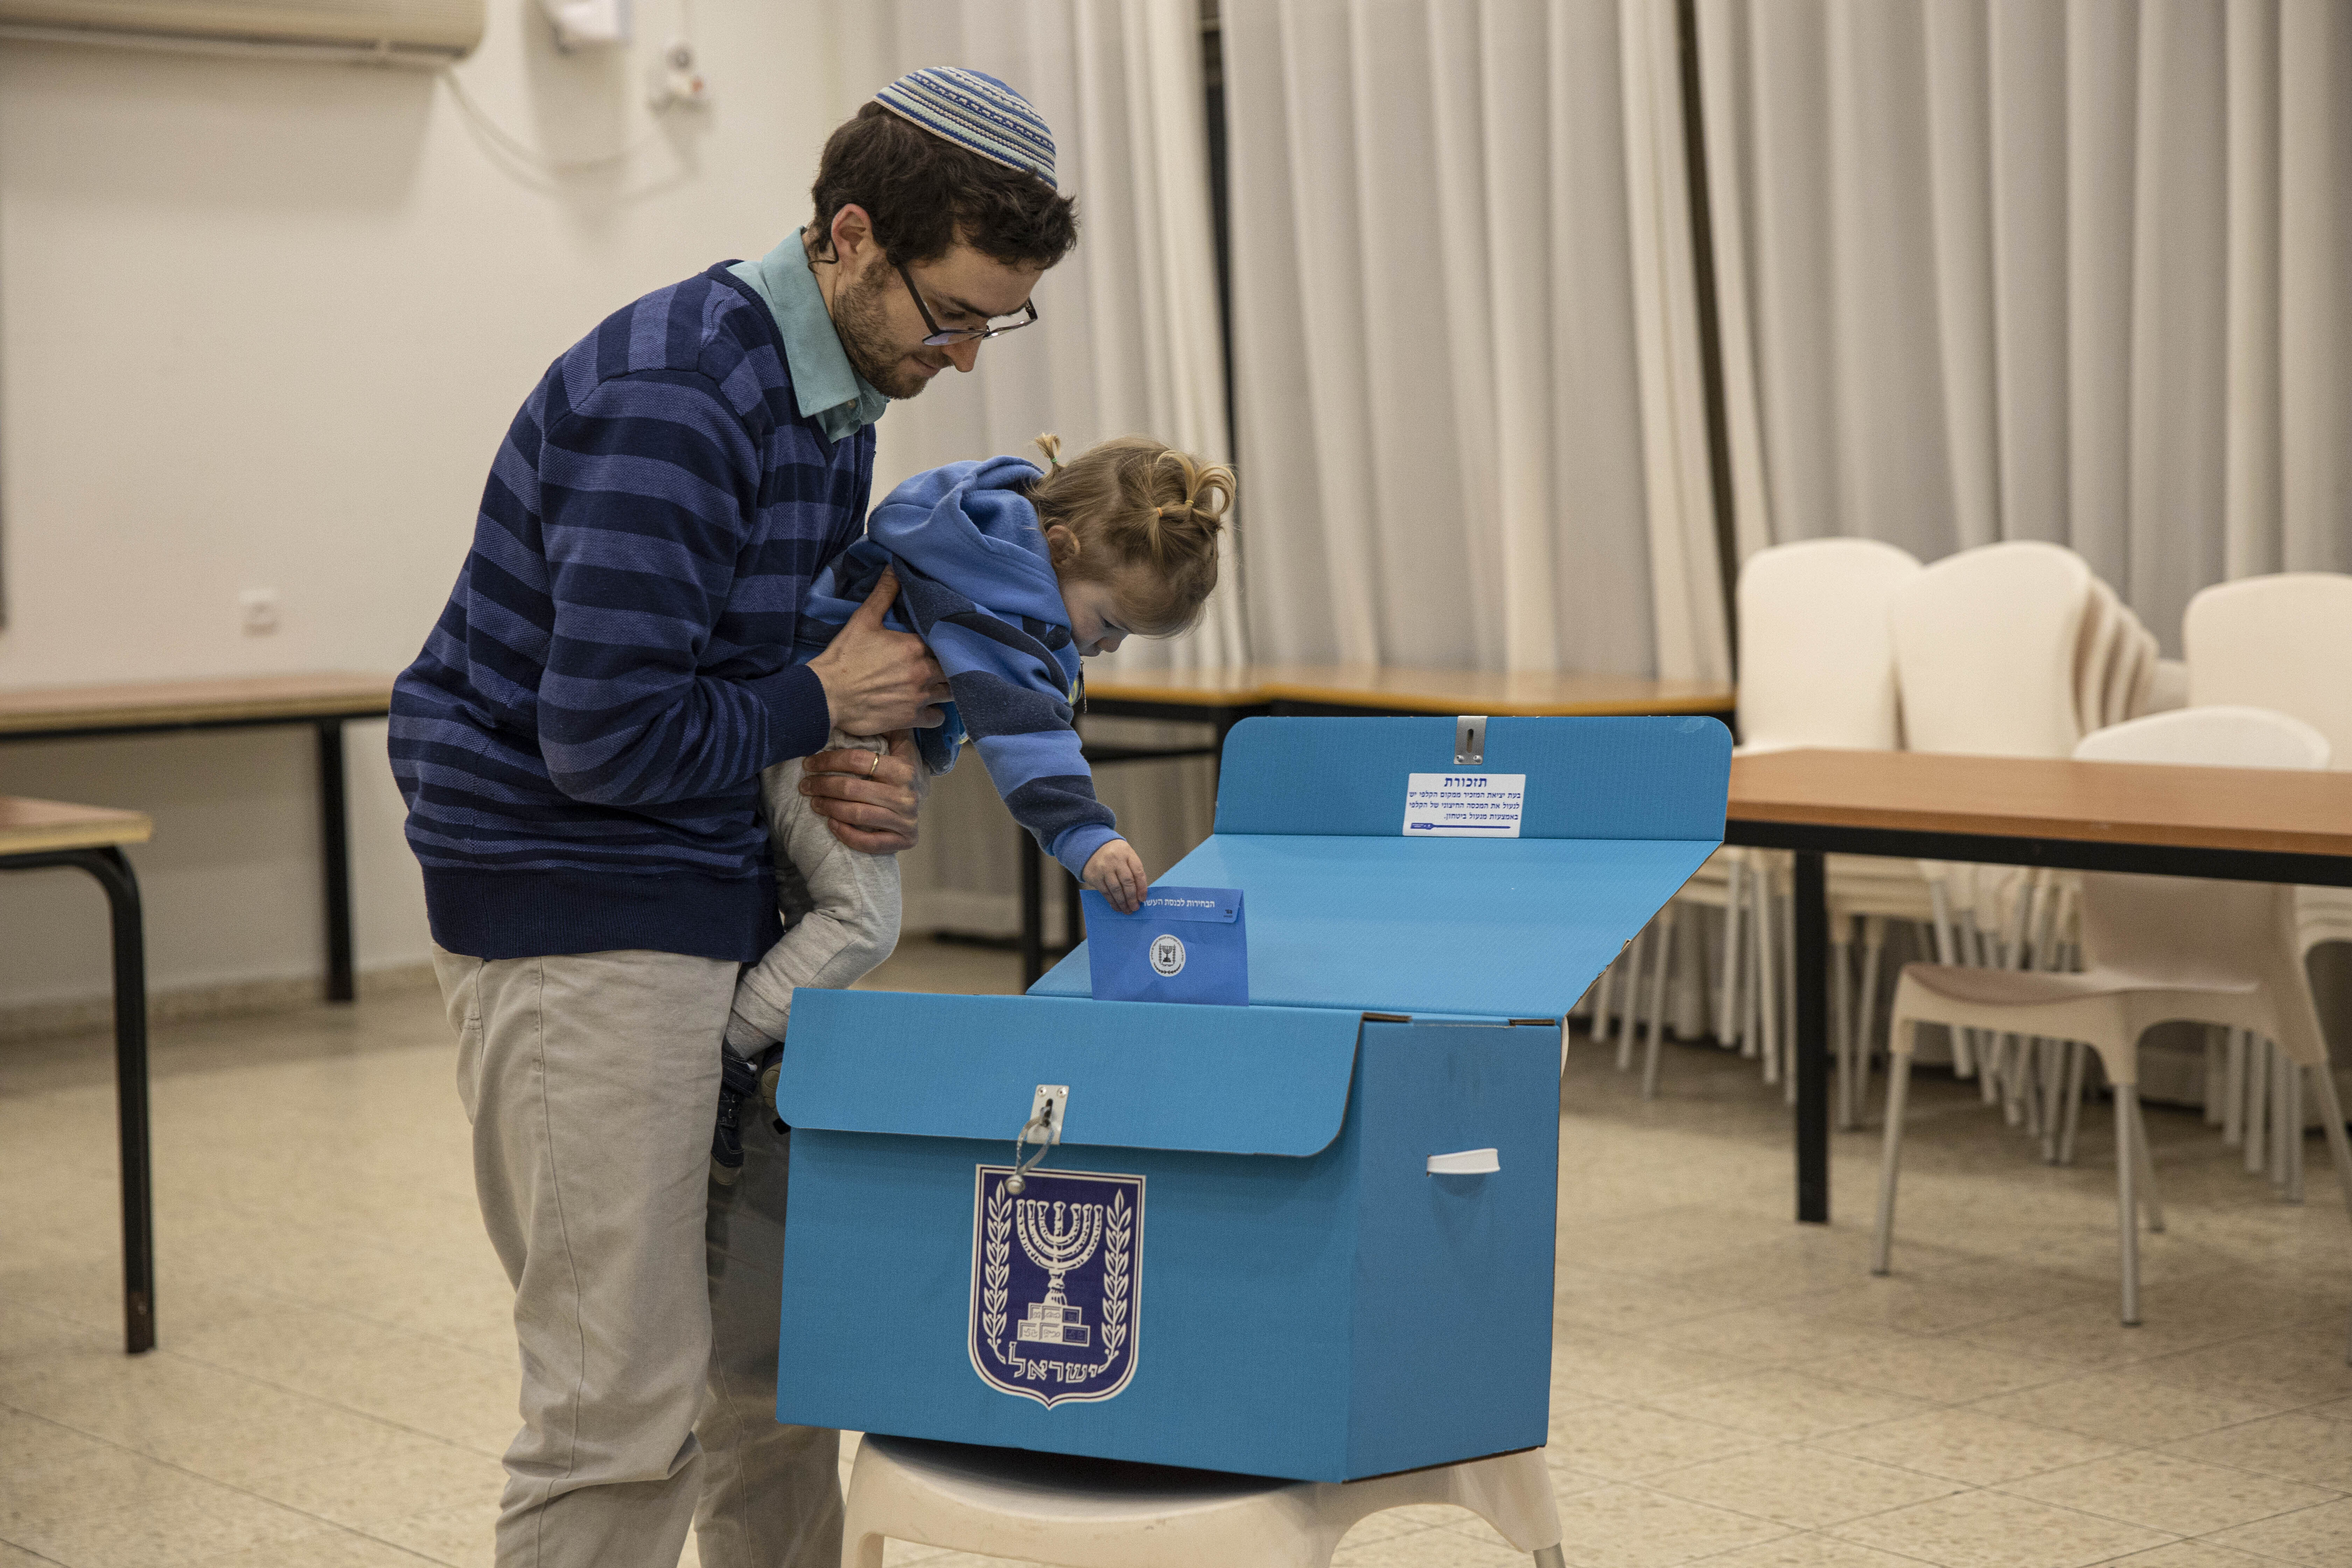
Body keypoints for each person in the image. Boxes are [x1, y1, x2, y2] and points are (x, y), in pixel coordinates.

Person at [386, 67, 1076, 1568]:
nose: (962, 357)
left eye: (994, 323)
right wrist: (820, 708)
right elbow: (604, 736)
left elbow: (764, 676)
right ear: (848, 238)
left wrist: (848, 760)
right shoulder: (681, 393)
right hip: (578, 908)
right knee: (618, 1412)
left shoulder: (833, 386)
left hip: (714, 887)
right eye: (952, 313)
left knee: (774, 1385)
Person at [709, 434, 1236, 1177]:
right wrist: (1086, 834)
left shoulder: (984, 540)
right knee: (860, 922)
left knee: (814, 912)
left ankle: (771, 1038)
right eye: (1110, 624)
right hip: (820, 728)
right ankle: (726, 1054)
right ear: (1059, 547)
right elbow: (1026, 735)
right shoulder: (998, 597)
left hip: (821, 718)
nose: (1108, 649)